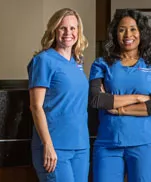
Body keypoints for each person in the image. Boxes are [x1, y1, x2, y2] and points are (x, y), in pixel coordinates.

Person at [88, 8, 151, 182]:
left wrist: (118, 109)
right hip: (109, 143)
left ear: (141, 33)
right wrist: (138, 98)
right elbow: (97, 99)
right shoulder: (101, 64)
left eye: (133, 29)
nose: (127, 34)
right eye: (122, 29)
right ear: (115, 34)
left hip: (146, 144)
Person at [27, 8, 90, 182]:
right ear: (54, 30)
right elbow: (36, 106)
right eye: (63, 28)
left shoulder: (78, 62)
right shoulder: (43, 61)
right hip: (54, 147)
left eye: (73, 28)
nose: (68, 33)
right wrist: (47, 145)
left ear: (78, 31)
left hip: (80, 145)